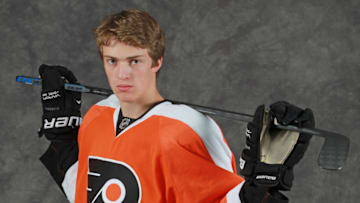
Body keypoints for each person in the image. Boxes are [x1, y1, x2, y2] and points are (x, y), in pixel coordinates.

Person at [38, 9, 315, 203]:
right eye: (112, 61)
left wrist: (263, 187)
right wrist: (62, 136)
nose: (122, 74)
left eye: (135, 61)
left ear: (157, 61)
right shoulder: (98, 115)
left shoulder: (190, 128)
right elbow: (85, 194)